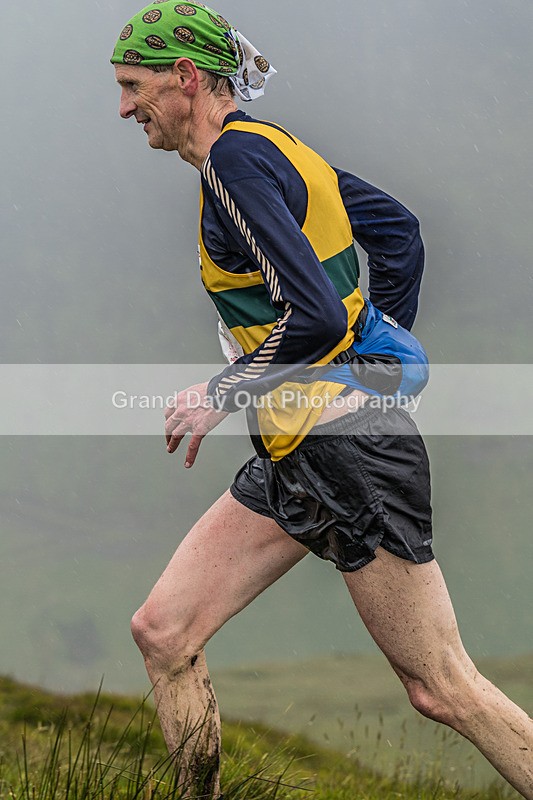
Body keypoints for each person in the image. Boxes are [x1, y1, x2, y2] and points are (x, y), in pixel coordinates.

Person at [111, 4, 533, 798]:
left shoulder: (233, 164)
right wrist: (372, 359)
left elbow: (309, 312)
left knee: (442, 688)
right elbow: (398, 233)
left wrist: (221, 391)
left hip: (344, 447)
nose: (125, 107)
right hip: (301, 446)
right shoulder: (276, 149)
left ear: (186, 78)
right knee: (164, 632)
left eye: (134, 87)